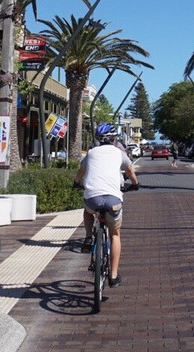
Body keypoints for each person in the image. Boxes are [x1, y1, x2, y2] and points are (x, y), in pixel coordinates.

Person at [74, 123, 139, 288]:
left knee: (88, 212)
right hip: (113, 201)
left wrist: (76, 183)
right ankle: (113, 275)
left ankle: (89, 237)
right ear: (114, 138)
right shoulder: (119, 153)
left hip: (93, 199)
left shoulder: (91, 153)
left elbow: (80, 172)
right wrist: (135, 184)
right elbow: (130, 172)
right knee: (115, 235)